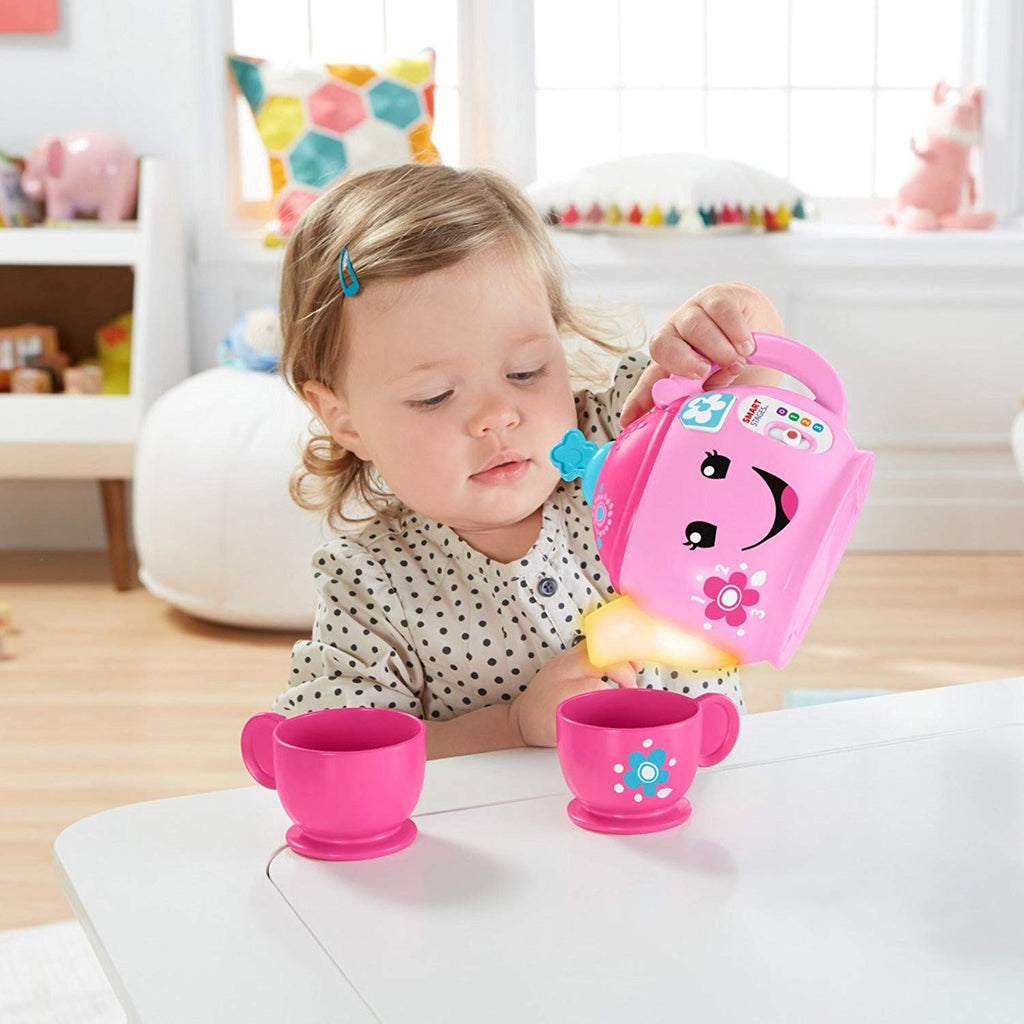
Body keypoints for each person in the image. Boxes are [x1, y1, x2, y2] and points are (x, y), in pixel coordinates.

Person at [273, 163, 784, 759]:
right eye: (435, 395)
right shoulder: (370, 583)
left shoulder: (629, 434)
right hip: (518, 843)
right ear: (344, 418)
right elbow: (334, 751)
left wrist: (735, 317)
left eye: (526, 372)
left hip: (709, 799)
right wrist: (513, 727)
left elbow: (749, 402)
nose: (497, 415)